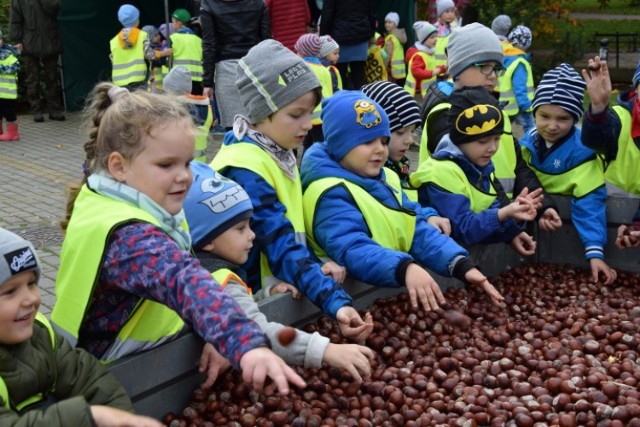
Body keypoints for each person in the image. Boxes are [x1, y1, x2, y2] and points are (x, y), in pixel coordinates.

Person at [51, 82, 305, 396]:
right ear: (119, 166)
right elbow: (183, 282)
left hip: (131, 368)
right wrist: (246, 344)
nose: (185, 176)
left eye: (186, 163)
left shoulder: (132, 199)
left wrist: (210, 333)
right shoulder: (128, 238)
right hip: (106, 379)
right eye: (166, 165)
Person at [210, 39, 373, 342]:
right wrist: (334, 301)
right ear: (262, 111)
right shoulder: (247, 169)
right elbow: (278, 241)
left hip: (278, 288)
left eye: (310, 113)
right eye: (296, 114)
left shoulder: (276, 152)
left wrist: (314, 261)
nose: (309, 124)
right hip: (246, 303)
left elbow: (290, 229)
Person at [300, 90, 504, 312]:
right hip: (339, 305)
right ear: (340, 145)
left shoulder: (385, 177)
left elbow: (413, 227)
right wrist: (404, 268)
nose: (380, 149)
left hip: (377, 293)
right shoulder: (329, 192)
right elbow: (353, 248)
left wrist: (459, 264)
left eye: (383, 140)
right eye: (367, 141)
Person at [184, 161, 375, 380]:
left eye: (250, 225)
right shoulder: (219, 279)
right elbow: (254, 329)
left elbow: (236, 306)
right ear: (206, 240)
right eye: (240, 229)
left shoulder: (203, 267)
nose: (252, 235)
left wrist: (265, 296)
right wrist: (327, 351)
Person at [0, 228, 163, 427]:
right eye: (10, 291)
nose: (31, 299)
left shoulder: (42, 334)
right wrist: (91, 417)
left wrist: (123, 419)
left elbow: (91, 381)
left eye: (32, 283)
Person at [413, 23, 562, 232]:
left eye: (497, 68)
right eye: (484, 66)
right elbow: (474, 171)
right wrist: (507, 222)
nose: (493, 75)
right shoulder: (446, 114)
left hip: (497, 222)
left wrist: (541, 206)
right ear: (458, 68)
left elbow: (516, 165)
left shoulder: (493, 111)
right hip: (461, 230)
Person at [411, 86, 544, 257]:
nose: (493, 148)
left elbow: (487, 224)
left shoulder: (479, 167)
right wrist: (504, 213)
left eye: (497, 139)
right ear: (460, 139)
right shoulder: (443, 171)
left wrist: (514, 218)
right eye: (483, 141)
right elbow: (463, 229)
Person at [520, 63, 616, 284]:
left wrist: (595, 252)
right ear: (534, 113)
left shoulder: (583, 153)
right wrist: (541, 209)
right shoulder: (525, 144)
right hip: (532, 227)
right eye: (544, 116)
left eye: (562, 119)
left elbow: (590, 203)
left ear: (575, 119)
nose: (552, 125)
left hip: (568, 235)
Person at [581, 57, 640, 250]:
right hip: (605, 219)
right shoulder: (620, 118)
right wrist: (598, 109)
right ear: (636, 89)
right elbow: (595, 140)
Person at [200, 0, 271, 129]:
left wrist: (207, 83)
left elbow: (209, 44)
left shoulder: (209, 5)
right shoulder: (259, 4)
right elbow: (266, 40)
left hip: (227, 71)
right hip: (256, 67)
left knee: (233, 128)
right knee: (260, 125)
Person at [361, 80, 422, 201]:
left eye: (412, 131)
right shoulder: (372, 174)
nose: (409, 140)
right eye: (400, 132)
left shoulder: (399, 165)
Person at [9, 0, 65, 122]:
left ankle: (54, 110)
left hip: (50, 40)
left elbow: (55, 9)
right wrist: (16, 40)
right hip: (30, 41)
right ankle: (36, 110)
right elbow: (15, 19)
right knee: (33, 79)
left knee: (52, 77)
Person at [319, 0, 376, 90]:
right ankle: (362, 102)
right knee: (359, 77)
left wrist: (323, 38)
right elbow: (372, 12)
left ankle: (342, 102)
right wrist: (371, 33)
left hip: (340, 37)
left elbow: (327, 13)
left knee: (339, 77)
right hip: (361, 34)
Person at [109, 5, 168, 91]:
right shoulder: (142, 35)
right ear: (136, 20)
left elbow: (113, 59)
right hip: (138, 80)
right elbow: (150, 55)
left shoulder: (113, 41)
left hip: (119, 82)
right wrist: (164, 53)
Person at [163, 66, 214, 162]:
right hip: (201, 165)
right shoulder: (208, 108)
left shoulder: (172, 111)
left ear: (172, 91)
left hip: (179, 165)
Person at [295, 33, 333, 149]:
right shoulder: (324, 69)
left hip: (308, 114)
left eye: (297, 50)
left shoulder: (303, 68)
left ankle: (304, 166)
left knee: (308, 145)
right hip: (323, 116)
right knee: (320, 145)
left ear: (303, 52)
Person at [499, 25, 535, 134]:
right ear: (527, 43)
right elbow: (519, 86)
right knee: (531, 131)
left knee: (502, 131)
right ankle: (530, 149)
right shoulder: (519, 63)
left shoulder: (504, 57)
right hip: (520, 105)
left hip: (505, 104)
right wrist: (526, 105)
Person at [404, 21, 446, 103]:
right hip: (416, 93)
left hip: (426, 92)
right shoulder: (419, 55)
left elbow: (432, 66)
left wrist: (443, 68)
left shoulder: (429, 53)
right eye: (432, 38)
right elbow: (416, 72)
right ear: (423, 40)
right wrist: (433, 72)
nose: (435, 40)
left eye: (436, 37)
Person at [165, 9, 204, 95]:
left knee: (181, 106)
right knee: (196, 105)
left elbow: (166, 59)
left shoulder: (173, 38)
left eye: (173, 22)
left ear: (179, 22)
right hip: (197, 81)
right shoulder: (199, 40)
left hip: (179, 79)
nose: (172, 24)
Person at [0, 29, 21, 141]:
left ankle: (13, 133)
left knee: (9, 113)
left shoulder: (9, 55)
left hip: (7, 92)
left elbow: (15, 67)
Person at [382, 12, 406, 87]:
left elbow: (388, 55)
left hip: (392, 71)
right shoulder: (399, 37)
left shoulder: (391, 38)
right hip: (401, 72)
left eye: (390, 22)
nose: (387, 24)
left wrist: (383, 66)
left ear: (395, 24)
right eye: (386, 22)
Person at [140, 25, 167, 93]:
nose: (158, 36)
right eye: (155, 35)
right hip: (154, 84)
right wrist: (164, 53)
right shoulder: (148, 50)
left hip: (164, 83)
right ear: (149, 39)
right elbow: (157, 62)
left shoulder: (163, 45)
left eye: (158, 34)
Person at [433, 0, 457, 70]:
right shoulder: (433, 29)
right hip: (434, 69)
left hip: (449, 68)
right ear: (440, 14)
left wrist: (454, 24)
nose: (450, 14)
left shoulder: (455, 28)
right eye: (447, 12)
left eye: (452, 11)